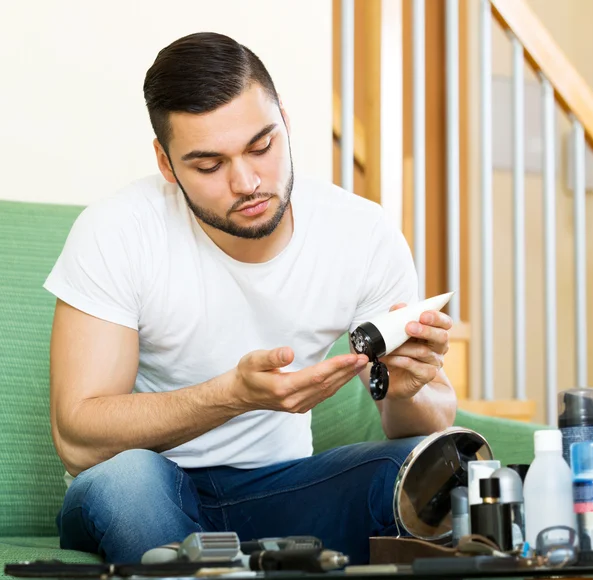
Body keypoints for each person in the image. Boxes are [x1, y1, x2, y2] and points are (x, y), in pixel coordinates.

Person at [44, 31, 457, 565]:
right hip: (142, 483)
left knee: (428, 466)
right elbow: (79, 437)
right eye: (209, 165)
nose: (247, 182)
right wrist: (233, 395)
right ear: (167, 164)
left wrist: (404, 388)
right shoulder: (117, 230)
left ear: (285, 118)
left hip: (277, 489)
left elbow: (429, 418)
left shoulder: (361, 232)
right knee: (126, 480)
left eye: (262, 146)